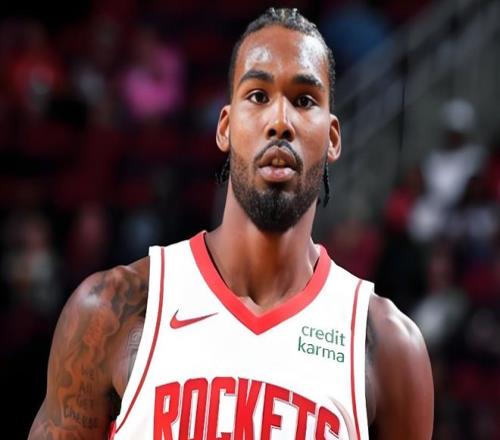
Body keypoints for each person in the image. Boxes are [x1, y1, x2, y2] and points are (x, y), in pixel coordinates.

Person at [28, 8, 433, 439]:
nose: (280, 122)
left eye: (304, 100)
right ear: (225, 127)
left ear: (333, 137)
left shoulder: (386, 347)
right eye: (257, 95)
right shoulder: (113, 312)